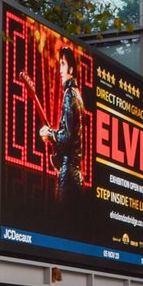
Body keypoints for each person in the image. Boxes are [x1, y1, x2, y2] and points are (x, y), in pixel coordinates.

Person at [39, 46, 85, 199]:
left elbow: (66, 137)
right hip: (76, 172)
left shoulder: (70, 94)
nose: (60, 69)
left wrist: (49, 133)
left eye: (63, 64)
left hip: (68, 171)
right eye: (59, 65)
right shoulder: (78, 96)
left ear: (71, 68)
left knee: (61, 215)